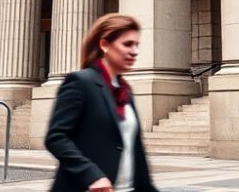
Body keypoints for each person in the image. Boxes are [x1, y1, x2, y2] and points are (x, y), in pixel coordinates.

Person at [45, 13, 157, 192]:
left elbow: (135, 152)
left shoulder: (125, 91)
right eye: (127, 44)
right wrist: (92, 175)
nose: (135, 51)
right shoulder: (80, 82)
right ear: (104, 44)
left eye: (137, 45)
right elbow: (56, 138)